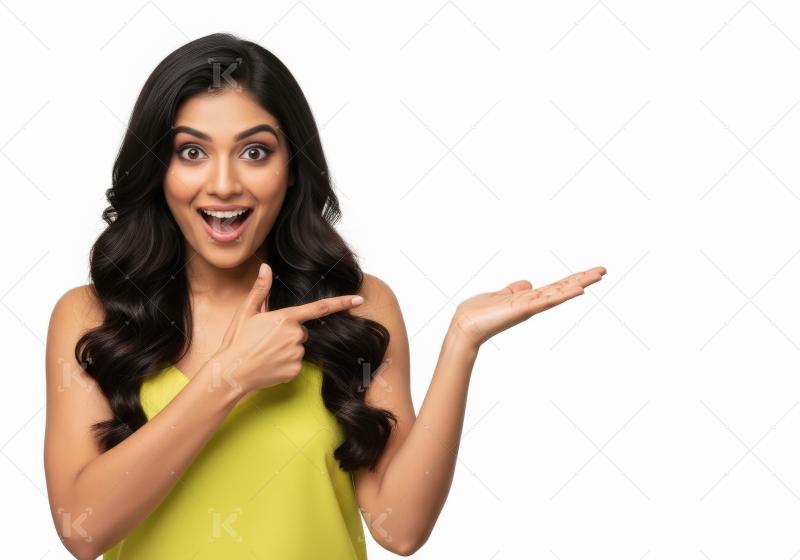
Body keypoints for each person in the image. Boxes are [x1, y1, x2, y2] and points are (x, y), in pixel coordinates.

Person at [44, 32, 606, 559]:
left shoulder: (355, 306)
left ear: (292, 168)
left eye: (255, 152)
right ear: (158, 168)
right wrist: (230, 376)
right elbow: (82, 530)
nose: (222, 184)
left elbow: (399, 528)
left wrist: (461, 344)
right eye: (192, 152)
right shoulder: (91, 316)